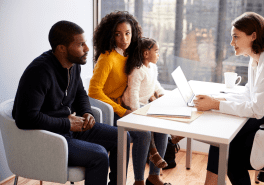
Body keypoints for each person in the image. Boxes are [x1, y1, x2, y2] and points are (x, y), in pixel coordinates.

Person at [12, 20, 131, 185]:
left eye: (85, 43)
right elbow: (25, 118)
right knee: (99, 155)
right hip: (49, 138)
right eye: (81, 44)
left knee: (122, 137)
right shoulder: (39, 72)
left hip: (68, 129)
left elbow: (80, 94)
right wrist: (66, 124)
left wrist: (87, 112)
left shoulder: (74, 64)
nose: (87, 49)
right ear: (61, 48)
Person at [193, 12, 264, 185]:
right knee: (222, 139)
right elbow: (248, 94)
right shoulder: (257, 59)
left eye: (236, 37)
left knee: (228, 155)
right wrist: (217, 100)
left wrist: (215, 104)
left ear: (253, 36)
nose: (231, 43)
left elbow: (257, 109)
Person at [88, 11, 170, 185]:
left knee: (163, 126)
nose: (124, 39)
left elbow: (142, 78)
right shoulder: (107, 58)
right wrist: (121, 110)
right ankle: (135, 181)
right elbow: (94, 91)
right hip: (109, 110)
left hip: (126, 105)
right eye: (118, 34)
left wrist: (154, 94)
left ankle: (154, 176)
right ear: (110, 35)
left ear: (133, 34)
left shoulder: (130, 54)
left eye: (127, 34)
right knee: (143, 134)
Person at [122, 37, 167, 169]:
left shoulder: (152, 67)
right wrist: (137, 112)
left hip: (145, 104)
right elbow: (133, 93)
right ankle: (153, 152)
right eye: (156, 51)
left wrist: (161, 93)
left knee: (161, 120)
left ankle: (171, 137)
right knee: (148, 125)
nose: (159, 54)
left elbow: (155, 84)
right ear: (146, 54)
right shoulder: (137, 71)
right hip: (133, 105)